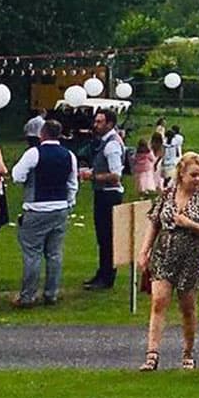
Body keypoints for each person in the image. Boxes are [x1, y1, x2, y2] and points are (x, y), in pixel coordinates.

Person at [138, 151, 199, 372]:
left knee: (187, 306)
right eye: (194, 175)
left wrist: (189, 224)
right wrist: (144, 251)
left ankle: (188, 351)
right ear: (182, 174)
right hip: (164, 253)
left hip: (191, 257)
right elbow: (154, 222)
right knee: (159, 301)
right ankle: (152, 353)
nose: (198, 179)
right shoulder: (167, 194)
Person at [11, 120, 78, 307]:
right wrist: (69, 202)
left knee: (32, 253)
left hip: (36, 207)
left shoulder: (34, 153)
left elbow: (17, 175)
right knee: (55, 253)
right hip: (60, 207)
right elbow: (73, 183)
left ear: (42, 134)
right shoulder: (69, 155)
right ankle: (51, 293)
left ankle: (28, 296)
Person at [82, 110, 127, 290]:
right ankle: (102, 272)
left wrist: (92, 176)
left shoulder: (111, 145)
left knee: (107, 237)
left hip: (109, 195)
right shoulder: (106, 143)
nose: (96, 125)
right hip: (104, 193)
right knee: (103, 237)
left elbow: (115, 175)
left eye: (100, 122)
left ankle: (107, 277)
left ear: (110, 124)